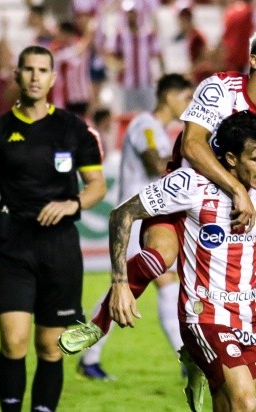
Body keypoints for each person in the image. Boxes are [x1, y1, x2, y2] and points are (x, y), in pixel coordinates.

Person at [57, 27, 256, 412]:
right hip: (186, 198)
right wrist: (236, 190)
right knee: (159, 256)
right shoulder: (218, 90)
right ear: (255, 60)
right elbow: (191, 144)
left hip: (233, 208)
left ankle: (213, 355)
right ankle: (99, 325)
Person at [0, 45, 106, 412]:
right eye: (28, 70)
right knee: (13, 341)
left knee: (51, 347)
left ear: (53, 79)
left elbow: (97, 186)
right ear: (17, 76)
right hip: (14, 244)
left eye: (43, 70)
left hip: (61, 247)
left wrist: (72, 203)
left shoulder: (74, 129)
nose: (36, 77)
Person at [76, 73, 193, 380]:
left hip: (148, 221)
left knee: (146, 286)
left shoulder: (157, 130)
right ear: (169, 96)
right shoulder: (146, 126)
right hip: (135, 221)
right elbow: (155, 164)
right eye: (186, 97)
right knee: (136, 287)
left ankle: (91, 357)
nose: (188, 103)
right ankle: (186, 359)